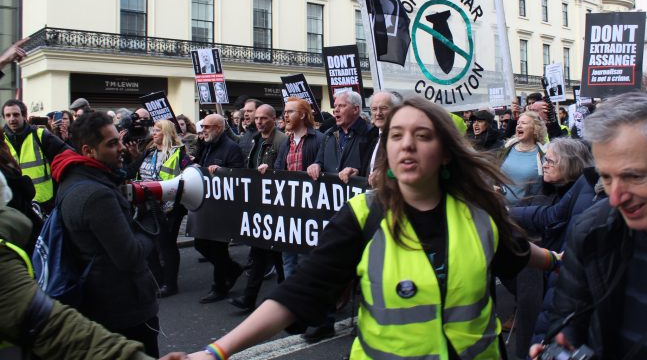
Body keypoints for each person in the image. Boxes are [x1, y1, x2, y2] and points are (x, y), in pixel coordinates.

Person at [187, 96, 559, 360]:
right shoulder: (362, 215)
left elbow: (518, 252)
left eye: (422, 136)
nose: (407, 145)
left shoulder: (478, 213)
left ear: (446, 152)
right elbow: (298, 292)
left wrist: (560, 261)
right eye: (396, 136)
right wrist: (217, 351)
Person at [531, 92, 647, 359]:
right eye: (606, 178)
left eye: (634, 176)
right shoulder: (590, 231)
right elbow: (566, 319)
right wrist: (564, 346)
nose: (616, 198)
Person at [0, 201, 185, 360]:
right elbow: (52, 328)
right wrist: (149, 226)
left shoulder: (76, 188)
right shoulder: (96, 196)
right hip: (122, 308)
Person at [50, 112, 160, 356]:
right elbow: (130, 256)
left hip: (101, 305)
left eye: (119, 140)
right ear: (88, 151)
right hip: (125, 310)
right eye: (112, 144)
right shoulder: (97, 195)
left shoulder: (73, 177)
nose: (121, 148)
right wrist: (149, 221)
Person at [507, 138, 593, 354]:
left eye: (551, 161)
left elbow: (549, 217)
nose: (544, 165)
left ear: (572, 164)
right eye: (545, 160)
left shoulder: (583, 193)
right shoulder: (546, 190)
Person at [229, 104, 286, 313]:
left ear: (274, 118)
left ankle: (279, 299)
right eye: (257, 118)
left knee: (275, 254)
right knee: (262, 252)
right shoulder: (255, 139)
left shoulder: (281, 141)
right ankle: (250, 298)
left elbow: (284, 169)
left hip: (275, 205)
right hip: (259, 203)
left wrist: (271, 171)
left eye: (264, 118)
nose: (259, 122)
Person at [189, 113, 245, 304]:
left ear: (219, 128)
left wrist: (221, 172)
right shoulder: (207, 145)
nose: (203, 130)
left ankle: (219, 287)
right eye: (203, 127)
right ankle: (232, 269)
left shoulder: (232, 148)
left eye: (207, 127)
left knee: (218, 247)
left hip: (223, 207)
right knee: (200, 243)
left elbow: (239, 175)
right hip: (207, 203)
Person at [136, 119, 191, 298]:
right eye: (153, 130)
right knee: (150, 245)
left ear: (166, 132)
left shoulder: (178, 152)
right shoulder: (149, 151)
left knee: (166, 245)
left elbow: (190, 173)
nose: (154, 133)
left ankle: (170, 283)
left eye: (158, 130)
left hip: (170, 207)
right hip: (148, 205)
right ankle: (157, 280)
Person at [272, 97, 325, 278]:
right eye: (285, 112)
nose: (285, 115)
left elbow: (327, 166)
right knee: (288, 259)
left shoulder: (319, 139)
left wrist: (318, 165)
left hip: (310, 211)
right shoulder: (286, 142)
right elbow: (279, 169)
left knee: (309, 259)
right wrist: (268, 170)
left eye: (290, 112)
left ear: (302, 115)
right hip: (289, 210)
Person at [3, 99, 69, 215]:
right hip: (15, 202)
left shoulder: (40, 135)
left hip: (44, 202)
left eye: (16, 114)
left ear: (24, 116)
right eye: (8, 115)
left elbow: (67, 155)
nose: (12, 119)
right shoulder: (1, 141)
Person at [307, 90, 377, 184]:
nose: (336, 110)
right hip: (331, 191)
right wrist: (316, 165)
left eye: (341, 106)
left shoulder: (371, 134)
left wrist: (357, 171)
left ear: (355, 109)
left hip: (355, 191)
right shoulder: (328, 134)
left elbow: (373, 169)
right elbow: (320, 161)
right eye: (335, 106)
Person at [498, 111, 547, 204]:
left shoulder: (544, 154)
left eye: (524, 123)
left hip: (526, 210)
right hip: (499, 207)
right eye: (518, 123)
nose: (519, 126)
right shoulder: (506, 148)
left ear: (535, 129)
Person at [367, 90, 401, 184]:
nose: (378, 113)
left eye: (383, 108)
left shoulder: (402, 139)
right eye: (374, 109)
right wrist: (356, 171)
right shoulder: (370, 137)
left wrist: (387, 174)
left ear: (395, 110)